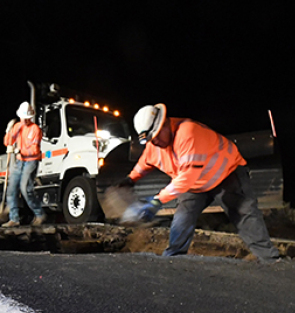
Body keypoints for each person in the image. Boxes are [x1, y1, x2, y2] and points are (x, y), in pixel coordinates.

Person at [119, 104, 280, 261]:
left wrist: (157, 200)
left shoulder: (187, 132)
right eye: (151, 140)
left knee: (244, 214)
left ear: (165, 123)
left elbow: (187, 176)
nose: (154, 142)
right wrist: (130, 179)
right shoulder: (155, 144)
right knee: (183, 217)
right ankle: (173, 259)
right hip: (196, 183)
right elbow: (146, 161)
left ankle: (270, 260)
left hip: (227, 173)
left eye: (156, 137)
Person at [2, 101, 45, 227]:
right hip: (19, 161)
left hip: (31, 161)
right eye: (23, 118)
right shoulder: (17, 127)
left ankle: (39, 214)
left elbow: (34, 150)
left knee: (25, 189)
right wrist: (8, 132)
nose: (25, 121)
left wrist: (19, 150)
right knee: (11, 189)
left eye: (27, 118)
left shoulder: (35, 129)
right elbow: (8, 142)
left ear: (30, 117)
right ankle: (14, 219)